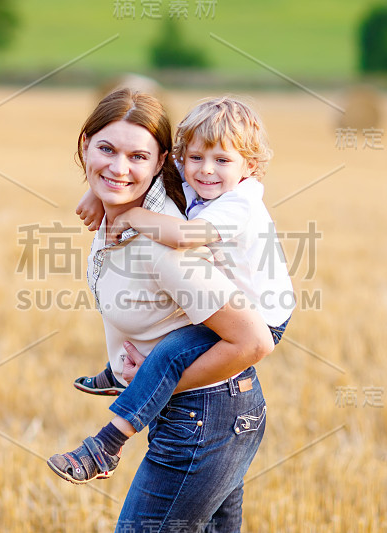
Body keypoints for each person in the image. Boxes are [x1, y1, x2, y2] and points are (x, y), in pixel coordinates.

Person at [47, 88, 275, 531]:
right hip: (207, 412)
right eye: (106, 150)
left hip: (206, 416)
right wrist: (104, 196)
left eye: (137, 156)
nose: (118, 167)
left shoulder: (164, 244)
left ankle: (105, 444)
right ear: (84, 145)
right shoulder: (121, 210)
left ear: (158, 161)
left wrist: (158, 385)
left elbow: (254, 340)